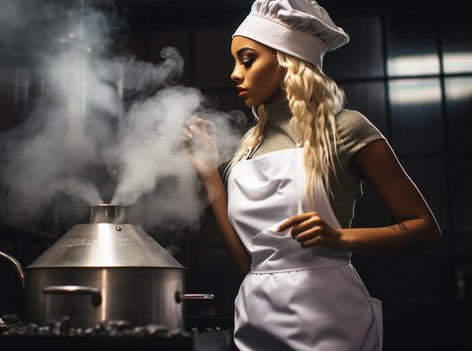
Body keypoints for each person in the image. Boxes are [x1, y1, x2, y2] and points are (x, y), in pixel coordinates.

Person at [181, 0, 442, 350]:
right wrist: (210, 174)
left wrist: (341, 239)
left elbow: (424, 228)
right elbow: (251, 263)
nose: (234, 74)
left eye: (247, 59)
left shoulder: (346, 128)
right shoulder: (248, 147)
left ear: (287, 60)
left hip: (329, 319)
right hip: (254, 320)